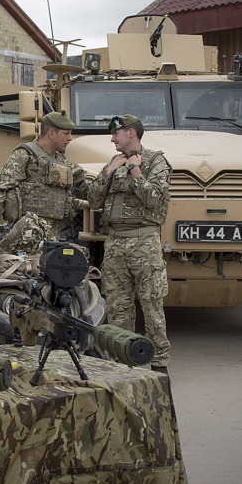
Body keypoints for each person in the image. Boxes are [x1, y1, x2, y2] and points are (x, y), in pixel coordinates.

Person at [88, 114, 172, 373]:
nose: (113, 138)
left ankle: (159, 362)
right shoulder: (113, 162)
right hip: (115, 242)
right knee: (117, 305)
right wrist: (108, 172)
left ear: (131, 133)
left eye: (116, 133)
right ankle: (123, 361)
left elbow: (156, 200)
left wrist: (135, 169)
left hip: (144, 241)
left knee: (151, 303)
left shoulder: (155, 161)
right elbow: (92, 199)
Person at [0, 110, 94, 245]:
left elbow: (90, 191)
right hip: (26, 237)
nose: (70, 138)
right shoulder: (25, 156)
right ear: (51, 133)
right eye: (66, 134)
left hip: (52, 237)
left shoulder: (62, 163)